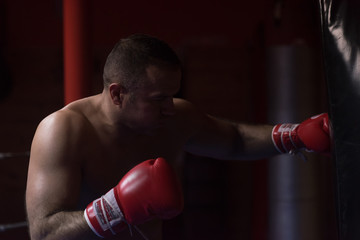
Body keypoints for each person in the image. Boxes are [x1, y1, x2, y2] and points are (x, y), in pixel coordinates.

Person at [25, 34, 330, 240]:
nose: (171, 108)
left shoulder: (173, 119)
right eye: (159, 98)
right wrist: (114, 207)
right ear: (118, 94)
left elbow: (235, 138)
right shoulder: (64, 131)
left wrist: (294, 135)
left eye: (173, 96)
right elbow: (44, 232)